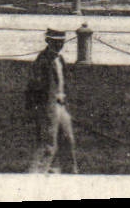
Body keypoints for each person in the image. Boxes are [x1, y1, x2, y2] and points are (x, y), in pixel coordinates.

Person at [25, 28, 78, 174]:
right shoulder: (42, 60)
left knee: (68, 139)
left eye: (61, 42)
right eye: (55, 42)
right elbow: (34, 86)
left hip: (60, 105)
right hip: (48, 106)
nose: (59, 45)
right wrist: (39, 107)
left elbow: (63, 81)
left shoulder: (59, 59)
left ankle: (68, 172)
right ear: (48, 41)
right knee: (49, 143)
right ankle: (35, 173)